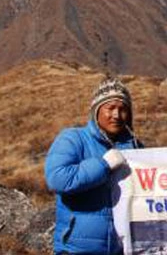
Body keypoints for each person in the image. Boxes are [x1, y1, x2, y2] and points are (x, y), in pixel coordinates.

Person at [46, 77, 142, 254]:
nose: (116, 115)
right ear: (97, 110)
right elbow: (57, 179)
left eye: (122, 109)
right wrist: (103, 164)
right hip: (76, 249)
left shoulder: (136, 148)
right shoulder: (73, 139)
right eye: (110, 108)